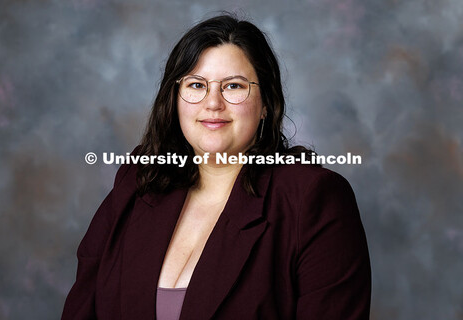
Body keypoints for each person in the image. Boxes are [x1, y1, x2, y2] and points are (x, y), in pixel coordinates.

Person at [62, 14, 371, 320]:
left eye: (234, 86)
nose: (213, 103)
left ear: (265, 104)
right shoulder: (138, 180)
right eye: (196, 85)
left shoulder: (314, 198)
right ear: (175, 98)